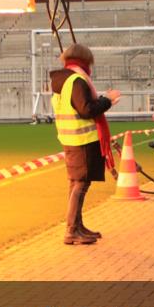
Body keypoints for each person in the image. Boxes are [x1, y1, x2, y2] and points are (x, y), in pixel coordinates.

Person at [49, 44, 121, 245]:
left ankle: (77, 226)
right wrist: (107, 100)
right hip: (83, 140)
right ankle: (72, 230)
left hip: (70, 138)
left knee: (76, 183)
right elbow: (86, 110)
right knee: (80, 184)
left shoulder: (62, 80)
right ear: (85, 60)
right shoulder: (77, 80)